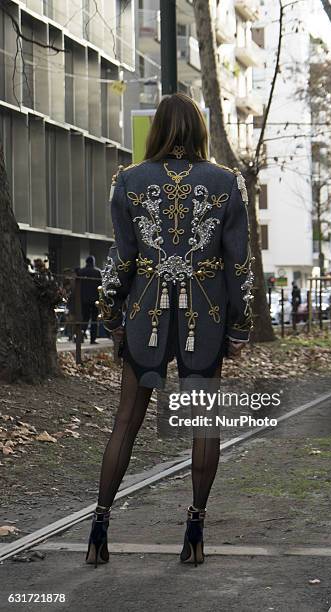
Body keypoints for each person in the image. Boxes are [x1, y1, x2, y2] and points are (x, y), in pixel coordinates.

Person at [86, 93, 253, 567]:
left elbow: (122, 259)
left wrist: (113, 317)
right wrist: (240, 325)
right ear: (200, 131)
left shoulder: (128, 181)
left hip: (146, 315)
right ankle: (195, 531)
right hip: (207, 318)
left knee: (126, 422)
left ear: (157, 130)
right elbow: (238, 262)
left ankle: (99, 528)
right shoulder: (226, 183)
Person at [77, 256, 102, 344]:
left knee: (84, 318)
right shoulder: (97, 272)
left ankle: (80, 336)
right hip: (95, 299)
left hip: (84, 299)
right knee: (94, 320)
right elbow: (101, 285)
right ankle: (93, 339)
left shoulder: (81, 272)